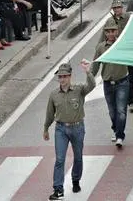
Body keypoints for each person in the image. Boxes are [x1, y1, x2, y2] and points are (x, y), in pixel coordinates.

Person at [43, 61, 94, 200]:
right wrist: (46, 128)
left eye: (65, 76)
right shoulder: (54, 94)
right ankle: (58, 189)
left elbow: (91, 85)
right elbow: (50, 113)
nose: (62, 79)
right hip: (61, 129)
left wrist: (88, 72)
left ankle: (76, 179)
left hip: (77, 128)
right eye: (60, 77)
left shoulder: (78, 89)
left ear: (70, 76)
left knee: (78, 157)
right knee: (60, 159)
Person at [92, 19, 129, 149]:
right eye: (108, 31)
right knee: (112, 112)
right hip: (108, 84)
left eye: (113, 30)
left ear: (117, 31)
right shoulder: (101, 47)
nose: (111, 34)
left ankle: (120, 135)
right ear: (105, 33)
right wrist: (89, 77)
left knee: (121, 111)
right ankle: (115, 129)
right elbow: (95, 65)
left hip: (122, 82)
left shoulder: (122, 44)